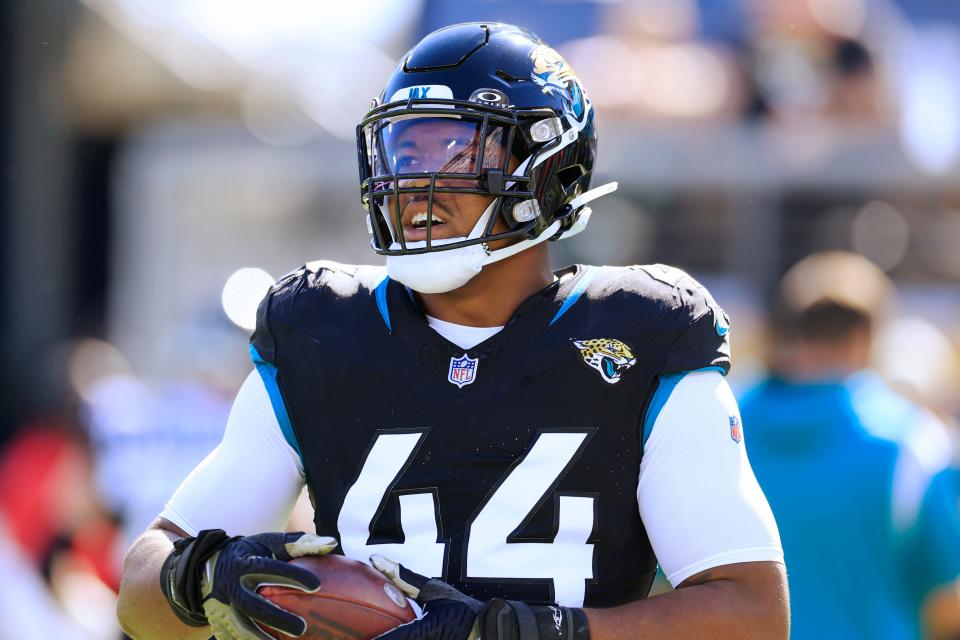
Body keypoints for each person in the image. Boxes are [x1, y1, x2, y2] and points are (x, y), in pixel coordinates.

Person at [117, 22, 788, 640]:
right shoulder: (320, 329)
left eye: (454, 148)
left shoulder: (641, 335)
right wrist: (201, 576)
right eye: (402, 150)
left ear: (547, 166)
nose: (413, 183)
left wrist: (522, 632)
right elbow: (139, 592)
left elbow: (752, 613)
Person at [740, 251, 960, 640]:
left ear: (793, 330)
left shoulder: (722, 424)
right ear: (867, 336)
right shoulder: (914, 441)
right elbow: (948, 602)